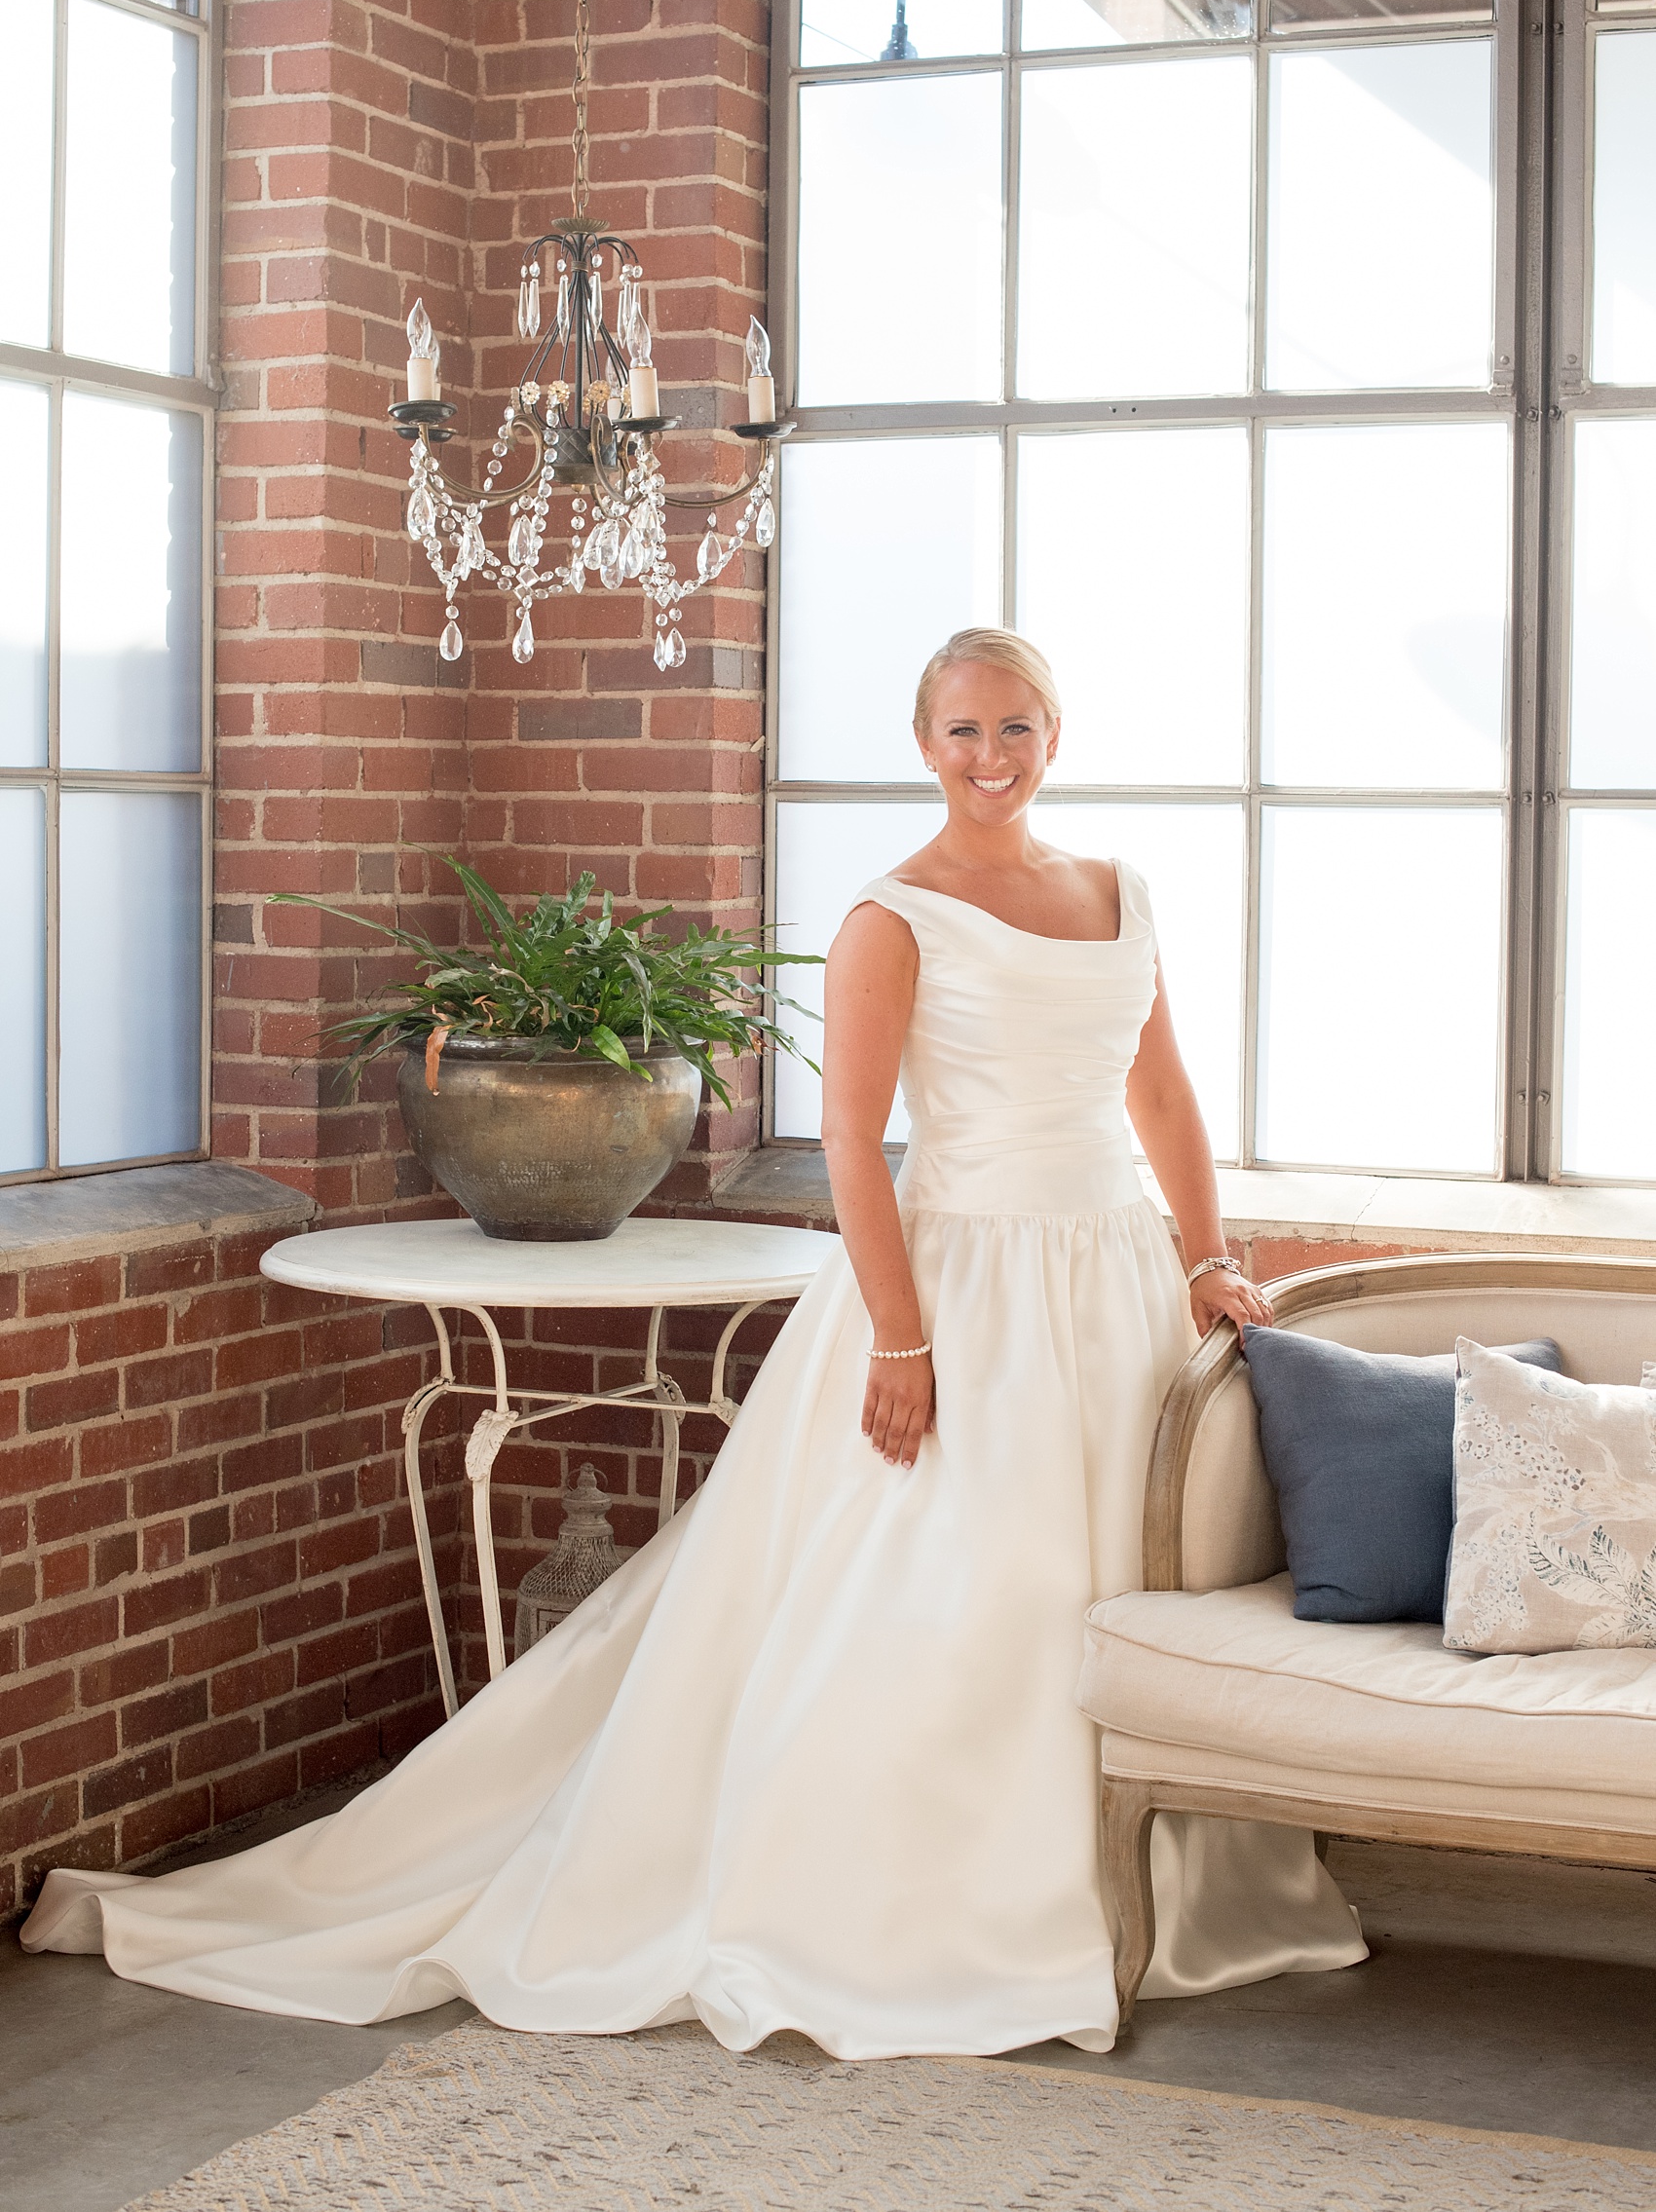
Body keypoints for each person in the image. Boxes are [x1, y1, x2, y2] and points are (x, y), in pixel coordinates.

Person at [22, 626, 1365, 2055]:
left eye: (1017, 726)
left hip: (1111, 1284)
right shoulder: (891, 915)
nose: (992, 757)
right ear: (926, 744)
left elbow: (1163, 1099)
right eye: (964, 731)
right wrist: (900, 1342)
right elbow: (851, 1138)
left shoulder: (1120, 895)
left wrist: (1210, 1258)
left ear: (1056, 733)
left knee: (1115, 1575)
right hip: (960, 1283)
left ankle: (1135, 1886)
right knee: (958, 1587)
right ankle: (947, 1904)